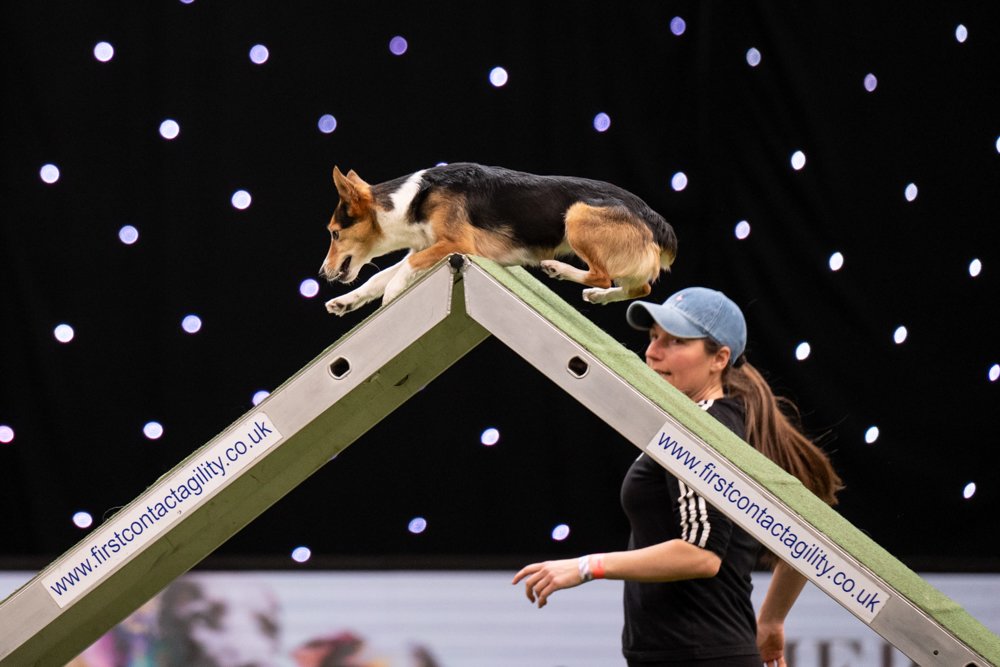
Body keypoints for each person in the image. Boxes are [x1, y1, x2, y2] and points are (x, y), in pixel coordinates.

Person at [513, 287, 843, 667]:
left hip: (698, 655)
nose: (653, 352)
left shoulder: (704, 431)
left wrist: (586, 566)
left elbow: (701, 555)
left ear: (719, 358)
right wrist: (770, 622)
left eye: (676, 341)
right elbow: (811, 531)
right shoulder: (715, 421)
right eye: (654, 337)